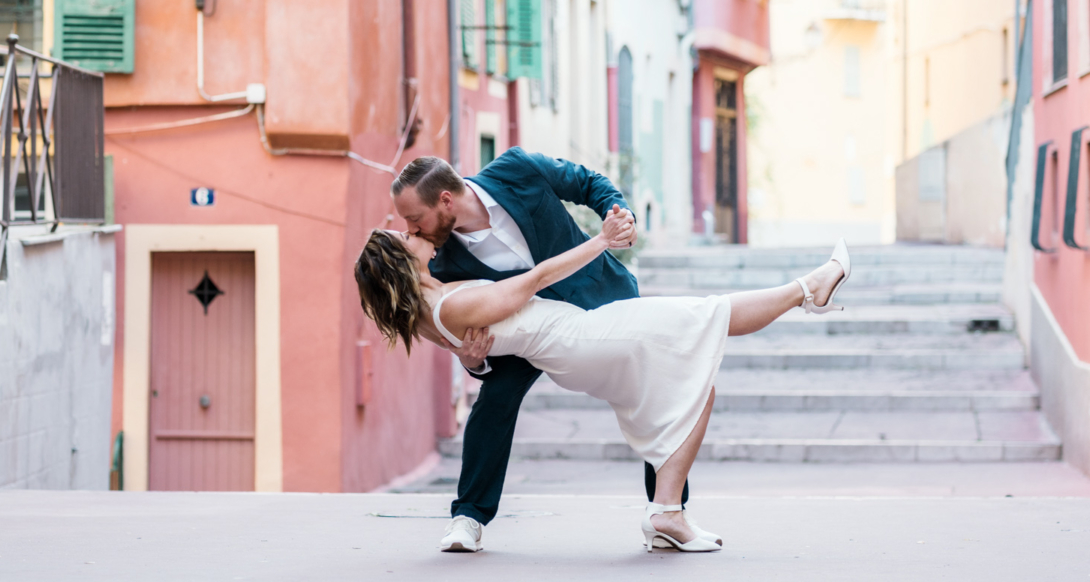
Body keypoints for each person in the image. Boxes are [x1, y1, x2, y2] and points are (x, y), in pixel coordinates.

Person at [357, 203, 851, 552]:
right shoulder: (453, 302)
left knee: (695, 382)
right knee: (707, 317)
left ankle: (666, 515)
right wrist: (600, 241)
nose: (413, 232)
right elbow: (534, 281)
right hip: (582, 339)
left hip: (576, 343)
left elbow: (475, 343)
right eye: (405, 237)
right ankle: (810, 288)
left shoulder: (431, 303)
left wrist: (470, 358)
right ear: (398, 262)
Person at [390, 151, 667, 552]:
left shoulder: (517, 169)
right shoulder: (443, 261)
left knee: (651, 395)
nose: (411, 230)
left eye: (415, 218)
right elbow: (462, 328)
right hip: (524, 335)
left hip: (600, 295)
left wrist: (621, 215)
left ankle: (666, 512)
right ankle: (468, 517)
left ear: (446, 200)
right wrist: (474, 361)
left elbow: (587, 182)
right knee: (493, 400)